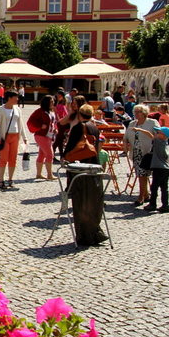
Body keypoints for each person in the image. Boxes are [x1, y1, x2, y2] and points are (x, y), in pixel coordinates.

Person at [62, 104, 107, 246]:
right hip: (93, 165)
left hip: (80, 166)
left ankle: (84, 235)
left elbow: (72, 145)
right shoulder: (94, 126)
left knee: (81, 201)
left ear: (80, 114)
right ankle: (94, 232)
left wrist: (64, 157)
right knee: (92, 201)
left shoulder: (79, 127)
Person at [123, 104, 158, 206]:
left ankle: (141, 197)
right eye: (135, 112)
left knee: (143, 174)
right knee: (141, 174)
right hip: (136, 152)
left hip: (148, 152)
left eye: (138, 112)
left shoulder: (152, 123)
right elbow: (126, 136)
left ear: (144, 113)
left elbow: (157, 136)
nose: (136, 114)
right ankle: (145, 195)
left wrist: (142, 131)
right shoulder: (132, 123)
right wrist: (125, 144)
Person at [0, 90, 28, 190]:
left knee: (13, 158)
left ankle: (10, 179)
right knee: (3, 158)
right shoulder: (1, 109)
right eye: (15, 97)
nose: (17, 99)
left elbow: (21, 124)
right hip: (5, 137)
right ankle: (1, 180)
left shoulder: (17, 109)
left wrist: (24, 137)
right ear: (9, 98)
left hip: (15, 136)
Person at [136, 126, 169, 213]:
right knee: (164, 187)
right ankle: (165, 206)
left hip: (159, 167)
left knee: (154, 187)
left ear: (164, 135)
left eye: (158, 133)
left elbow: (150, 135)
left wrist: (140, 129)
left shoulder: (158, 142)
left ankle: (152, 204)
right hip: (166, 168)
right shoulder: (165, 143)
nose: (156, 134)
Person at [27, 95, 56, 180]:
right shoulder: (39, 111)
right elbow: (30, 121)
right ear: (46, 103)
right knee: (50, 155)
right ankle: (49, 175)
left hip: (49, 135)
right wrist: (40, 126)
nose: (53, 103)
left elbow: (53, 123)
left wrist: (55, 129)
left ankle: (38, 174)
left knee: (42, 154)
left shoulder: (51, 111)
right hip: (41, 135)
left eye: (53, 101)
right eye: (51, 102)